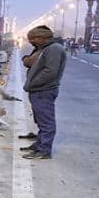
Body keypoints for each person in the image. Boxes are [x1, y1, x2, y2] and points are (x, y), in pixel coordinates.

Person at [21, 25, 67, 160]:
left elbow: (50, 72)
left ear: (41, 38)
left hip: (44, 90)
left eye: (33, 39)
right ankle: (39, 144)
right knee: (41, 119)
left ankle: (44, 150)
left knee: (46, 121)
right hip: (39, 90)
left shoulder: (54, 49)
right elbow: (31, 62)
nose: (31, 42)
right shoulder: (44, 49)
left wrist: (33, 83)